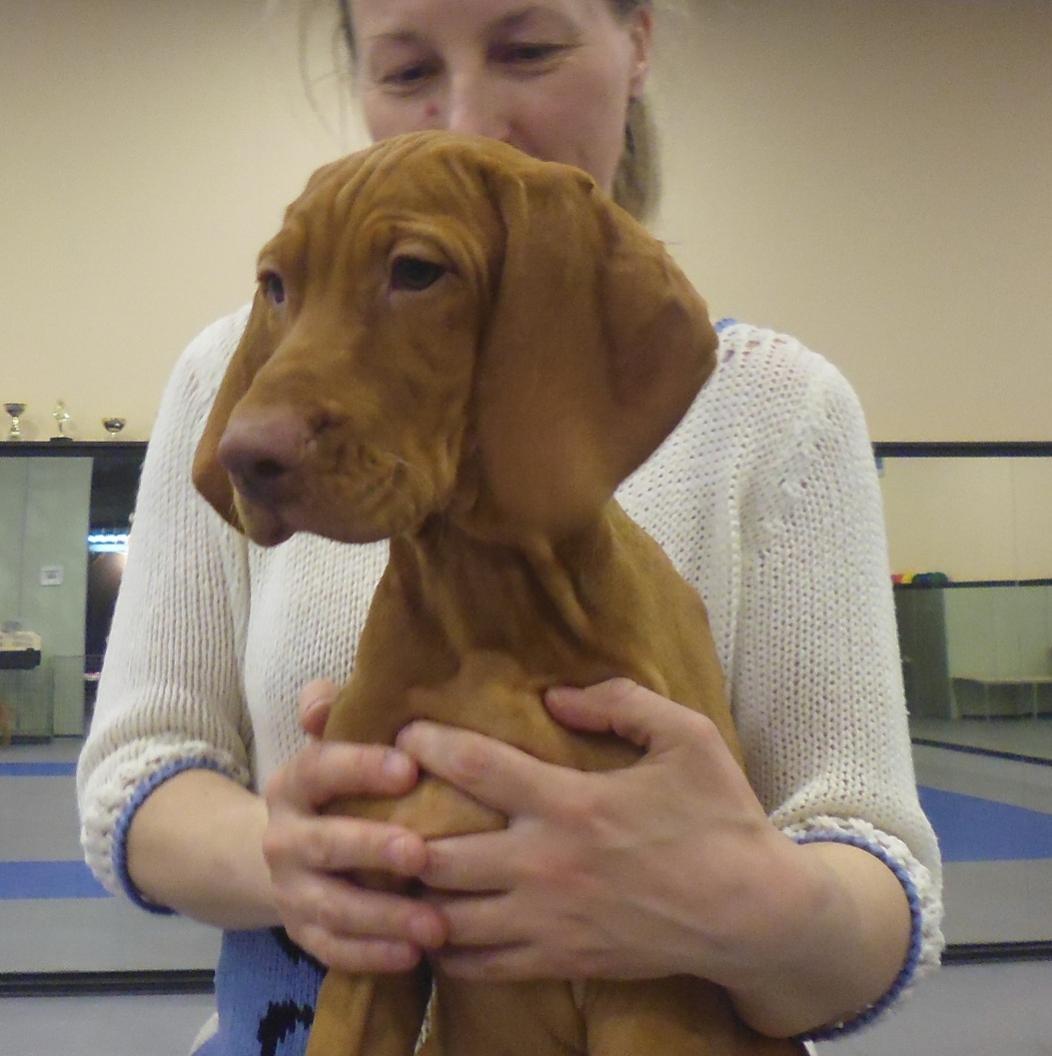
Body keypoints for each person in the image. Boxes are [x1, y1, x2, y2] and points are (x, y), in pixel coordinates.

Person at [76, 2, 944, 1054]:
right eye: (406, 71)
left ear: (636, 40)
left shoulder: (779, 409)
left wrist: (747, 903)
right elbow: (138, 771)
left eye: (527, 50)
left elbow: (875, 874)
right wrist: (304, 856)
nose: (467, 118)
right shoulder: (241, 377)